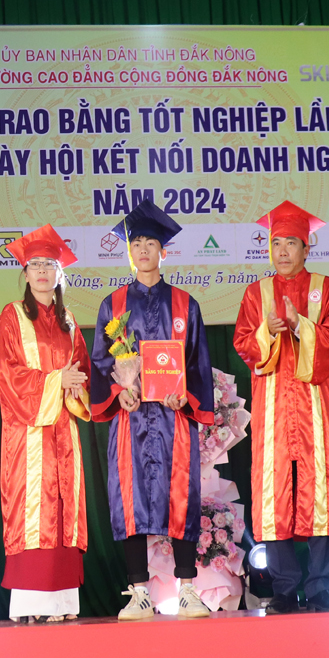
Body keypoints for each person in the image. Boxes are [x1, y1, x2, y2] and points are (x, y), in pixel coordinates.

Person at [91, 200, 215, 620]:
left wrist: (187, 397)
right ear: (129, 252)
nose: (143, 250)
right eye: (136, 244)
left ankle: (188, 590)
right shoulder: (112, 304)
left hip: (173, 417)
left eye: (150, 243)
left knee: (180, 495)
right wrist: (117, 392)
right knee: (130, 499)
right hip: (131, 417)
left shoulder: (185, 304)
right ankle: (139, 592)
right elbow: (101, 362)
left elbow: (197, 363)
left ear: (164, 250)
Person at [233, 201, 329, 614]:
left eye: (291, 243)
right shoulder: (256, 293)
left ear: (306, 247)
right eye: (275, 243)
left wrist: (301, 325)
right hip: (274, 409)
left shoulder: (328, 289)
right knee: (275, 493)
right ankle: (283, 588)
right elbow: (244, 345)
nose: (282, 251)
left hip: (317, 405)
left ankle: (320, 586)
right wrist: (267, 331)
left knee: (321, 490)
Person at [0, 224, 92, 623]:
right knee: (33, 507)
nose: (43, 272)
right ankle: (32, 604)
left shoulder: (69, 320)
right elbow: (6, 372)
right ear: (25, 272)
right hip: (28, 432)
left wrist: (75, 384)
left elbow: (82, 370)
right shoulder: (12, 315)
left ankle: (63, 604)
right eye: (35, 265)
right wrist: (55, 382)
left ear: (60, 272)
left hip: (64, 429)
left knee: (65, 506)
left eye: (50, 265)